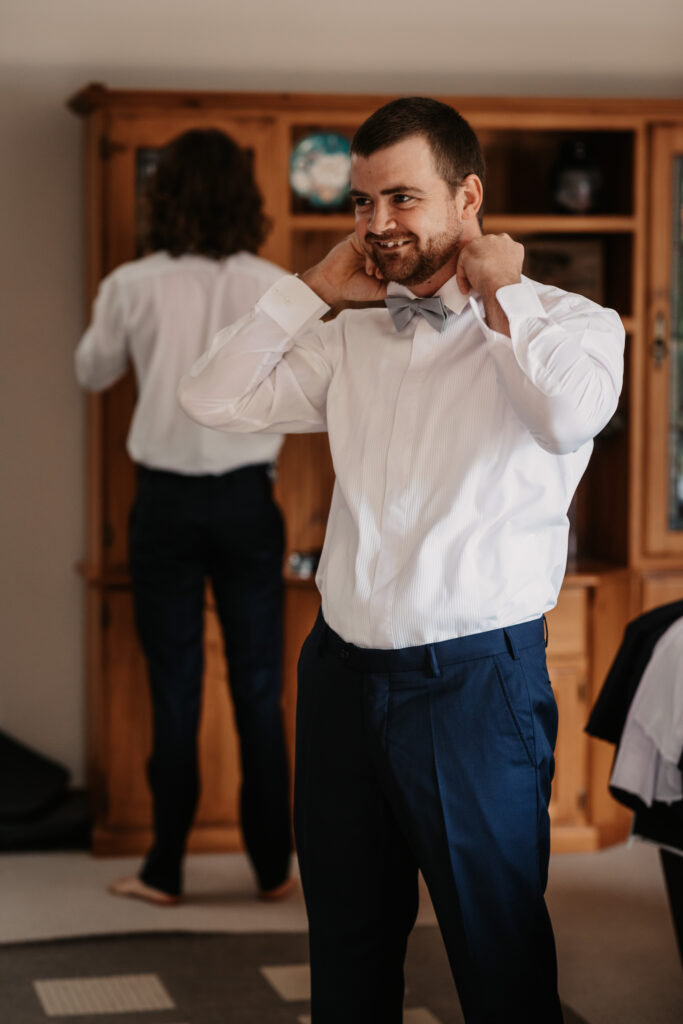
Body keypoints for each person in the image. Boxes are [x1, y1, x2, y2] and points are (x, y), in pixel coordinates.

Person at [178, 98, 625, 1022]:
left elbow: (566, 418)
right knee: (345, 958)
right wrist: (305, 290)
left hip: (472, 689)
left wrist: (504, 295)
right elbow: (207, 398)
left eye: (402, 198)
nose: (377, 225)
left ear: (467, 197)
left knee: (496, 961)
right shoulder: (349, 335)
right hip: (341, 678)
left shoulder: (575, 325)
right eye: (362, 202)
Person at [75, 128, 294, 906]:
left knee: (175, 688)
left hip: (164, 502)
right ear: (246, 197)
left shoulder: (130, 283)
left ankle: (164, 870)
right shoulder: (275, 283)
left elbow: (91, 370)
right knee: (259, 686)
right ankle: (274, 869)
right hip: (247, 499)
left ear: (161, 195)